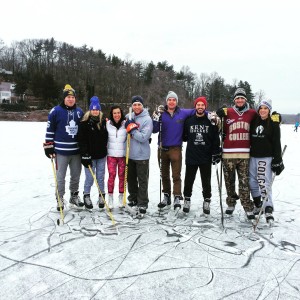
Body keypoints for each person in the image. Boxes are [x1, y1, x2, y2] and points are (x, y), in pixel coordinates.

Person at [216, 87, 257, 220]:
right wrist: (218, 115)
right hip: (228, 153)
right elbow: (215, 121)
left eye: (242, 98)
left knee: (244, 182)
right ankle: (231, 203)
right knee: (229, 181)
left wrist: (276, 118)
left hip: (245, 154)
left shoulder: (252, 113)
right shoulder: (227, 111)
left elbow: (263, 120)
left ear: (245, 100)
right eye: (237, 98)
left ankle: (247, 206)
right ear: (234, 100)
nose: (239, 100)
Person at [43, 84, 84, 210]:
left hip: (76, 151)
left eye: (72, 97)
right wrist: (49, 146)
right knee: (60, 176)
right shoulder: (55, 111)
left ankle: (74, 196)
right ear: (64, 98)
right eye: (68, 97)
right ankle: (60, 198)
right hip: (60, 151)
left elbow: (85, 129)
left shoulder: (79, 112)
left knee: (76, 175)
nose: (70, 99)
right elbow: (50, 129)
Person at [152, 91, 194, 210]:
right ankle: (166, 196)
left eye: (174, 100)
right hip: (162, 148)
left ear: (176, 102)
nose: (171, 102)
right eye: (169, 100)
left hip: (175, 148)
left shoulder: (182, 113)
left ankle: (176, 196)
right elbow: (154, 130)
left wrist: (212, 114)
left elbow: (197, 110)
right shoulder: (161, 113)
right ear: (166, 101)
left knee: (176, 175)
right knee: (164, 175)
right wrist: (155, 117)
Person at [182, 96, 221, 215]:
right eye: (198, 105)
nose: (200, 107)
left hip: (206, 156)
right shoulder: (189, 120)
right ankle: (187, 199)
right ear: (195, 106)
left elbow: (215, 138)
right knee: (189, 180)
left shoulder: (210, 121)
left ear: (205, 107)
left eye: (202, 105)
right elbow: (184, 136)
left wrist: (216, 152)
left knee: (206, 181)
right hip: (192, 155)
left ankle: (207, 200)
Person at [249, 100, 284, 223]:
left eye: (265, 108)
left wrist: (277, 159)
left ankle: (268, 207)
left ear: (269, 110)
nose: (263, 110)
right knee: (251, 182)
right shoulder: (254, 121)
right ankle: (258, 204)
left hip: (266, 157)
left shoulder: (273, 122)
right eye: (261, 108)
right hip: (253, 156)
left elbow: (276, 142)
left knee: (263, 182)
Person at [78, 96, 108, 210]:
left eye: (97, 109)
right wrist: (84, 154)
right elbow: (81, 140)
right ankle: (86, 195)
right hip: (89, 156)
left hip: (101, 155)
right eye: (93, 109)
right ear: (90, 110)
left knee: (100, 177)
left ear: (99, 110)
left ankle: (102, 195)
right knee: (89, 178)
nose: (95, 111)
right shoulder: (84, 124)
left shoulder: (104, 122)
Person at [125, 95, 153, 216]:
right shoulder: (128, 117)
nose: (136, 107)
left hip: (142, 156)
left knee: (142, 180)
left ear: (142, 106)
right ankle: (133, 198)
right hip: (129, 154)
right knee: (130, 180)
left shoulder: (147, 119)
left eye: (139, 105)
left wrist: (132, 130)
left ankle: (142, 202)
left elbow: (143, 137)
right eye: (134, 104)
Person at [106, 105, 127, 209]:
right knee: (112, 176)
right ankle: (110, 197)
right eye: (114, 113)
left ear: (121, 113)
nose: (117, 115)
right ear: (112, 114)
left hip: (122, 156)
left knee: (122, 176)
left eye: (118, 113)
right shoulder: (107, 124)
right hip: (111, 155)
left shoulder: (125, 124)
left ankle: (121, 196)